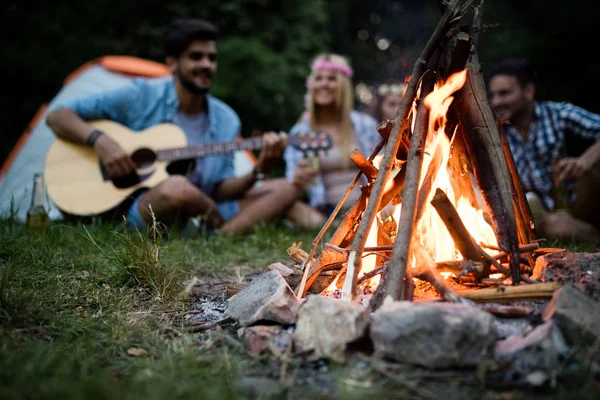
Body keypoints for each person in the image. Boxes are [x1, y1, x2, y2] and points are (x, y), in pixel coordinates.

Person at [46, 18, 297, 236]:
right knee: (176, 187)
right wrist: (103, 142)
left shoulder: (227, 119)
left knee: (286, 188)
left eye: (212, 58)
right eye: (196, 57)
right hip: (140, 206)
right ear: (172, 63)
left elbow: (221, 190)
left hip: (202, 206)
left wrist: (259, 171)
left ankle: (221, 234)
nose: (207, 65)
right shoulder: (140, 95)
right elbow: (57, 116)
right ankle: (220, 228)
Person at [488, 58, 600, 243]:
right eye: (493, 95)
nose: (496, 101)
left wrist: (584, 161)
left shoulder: (559, 114)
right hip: (537, 217)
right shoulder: (496, 136)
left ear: (529, 91)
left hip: (581, 201)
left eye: (504, 93)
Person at [284, 53, 381, 228]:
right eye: (319, 78)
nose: (324, 84)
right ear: (311, 85)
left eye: (331, 78)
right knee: (288, 205)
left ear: (343, 86)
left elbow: (384, 169)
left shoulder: (365, 125)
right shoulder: (300, 131)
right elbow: (291, 183)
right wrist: (297, 181)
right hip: (324, 211)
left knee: (391, 205)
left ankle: (355, 223)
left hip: (366, 205)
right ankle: (332, 226)